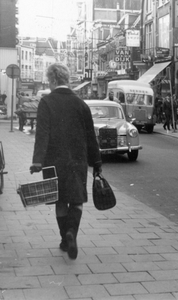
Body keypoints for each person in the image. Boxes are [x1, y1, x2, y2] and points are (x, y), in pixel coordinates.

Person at [30, 63, 102, 260]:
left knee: (60, 201)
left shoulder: (46, 102)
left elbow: (42, 134)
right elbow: (91, 137)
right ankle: (71, 233)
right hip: (78, 161)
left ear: (52, 80)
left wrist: (37, 161)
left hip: (54, 162)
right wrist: (97, 162)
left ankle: (65, 238)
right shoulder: (81, 104)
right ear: (66, 80)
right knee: (76, 201)